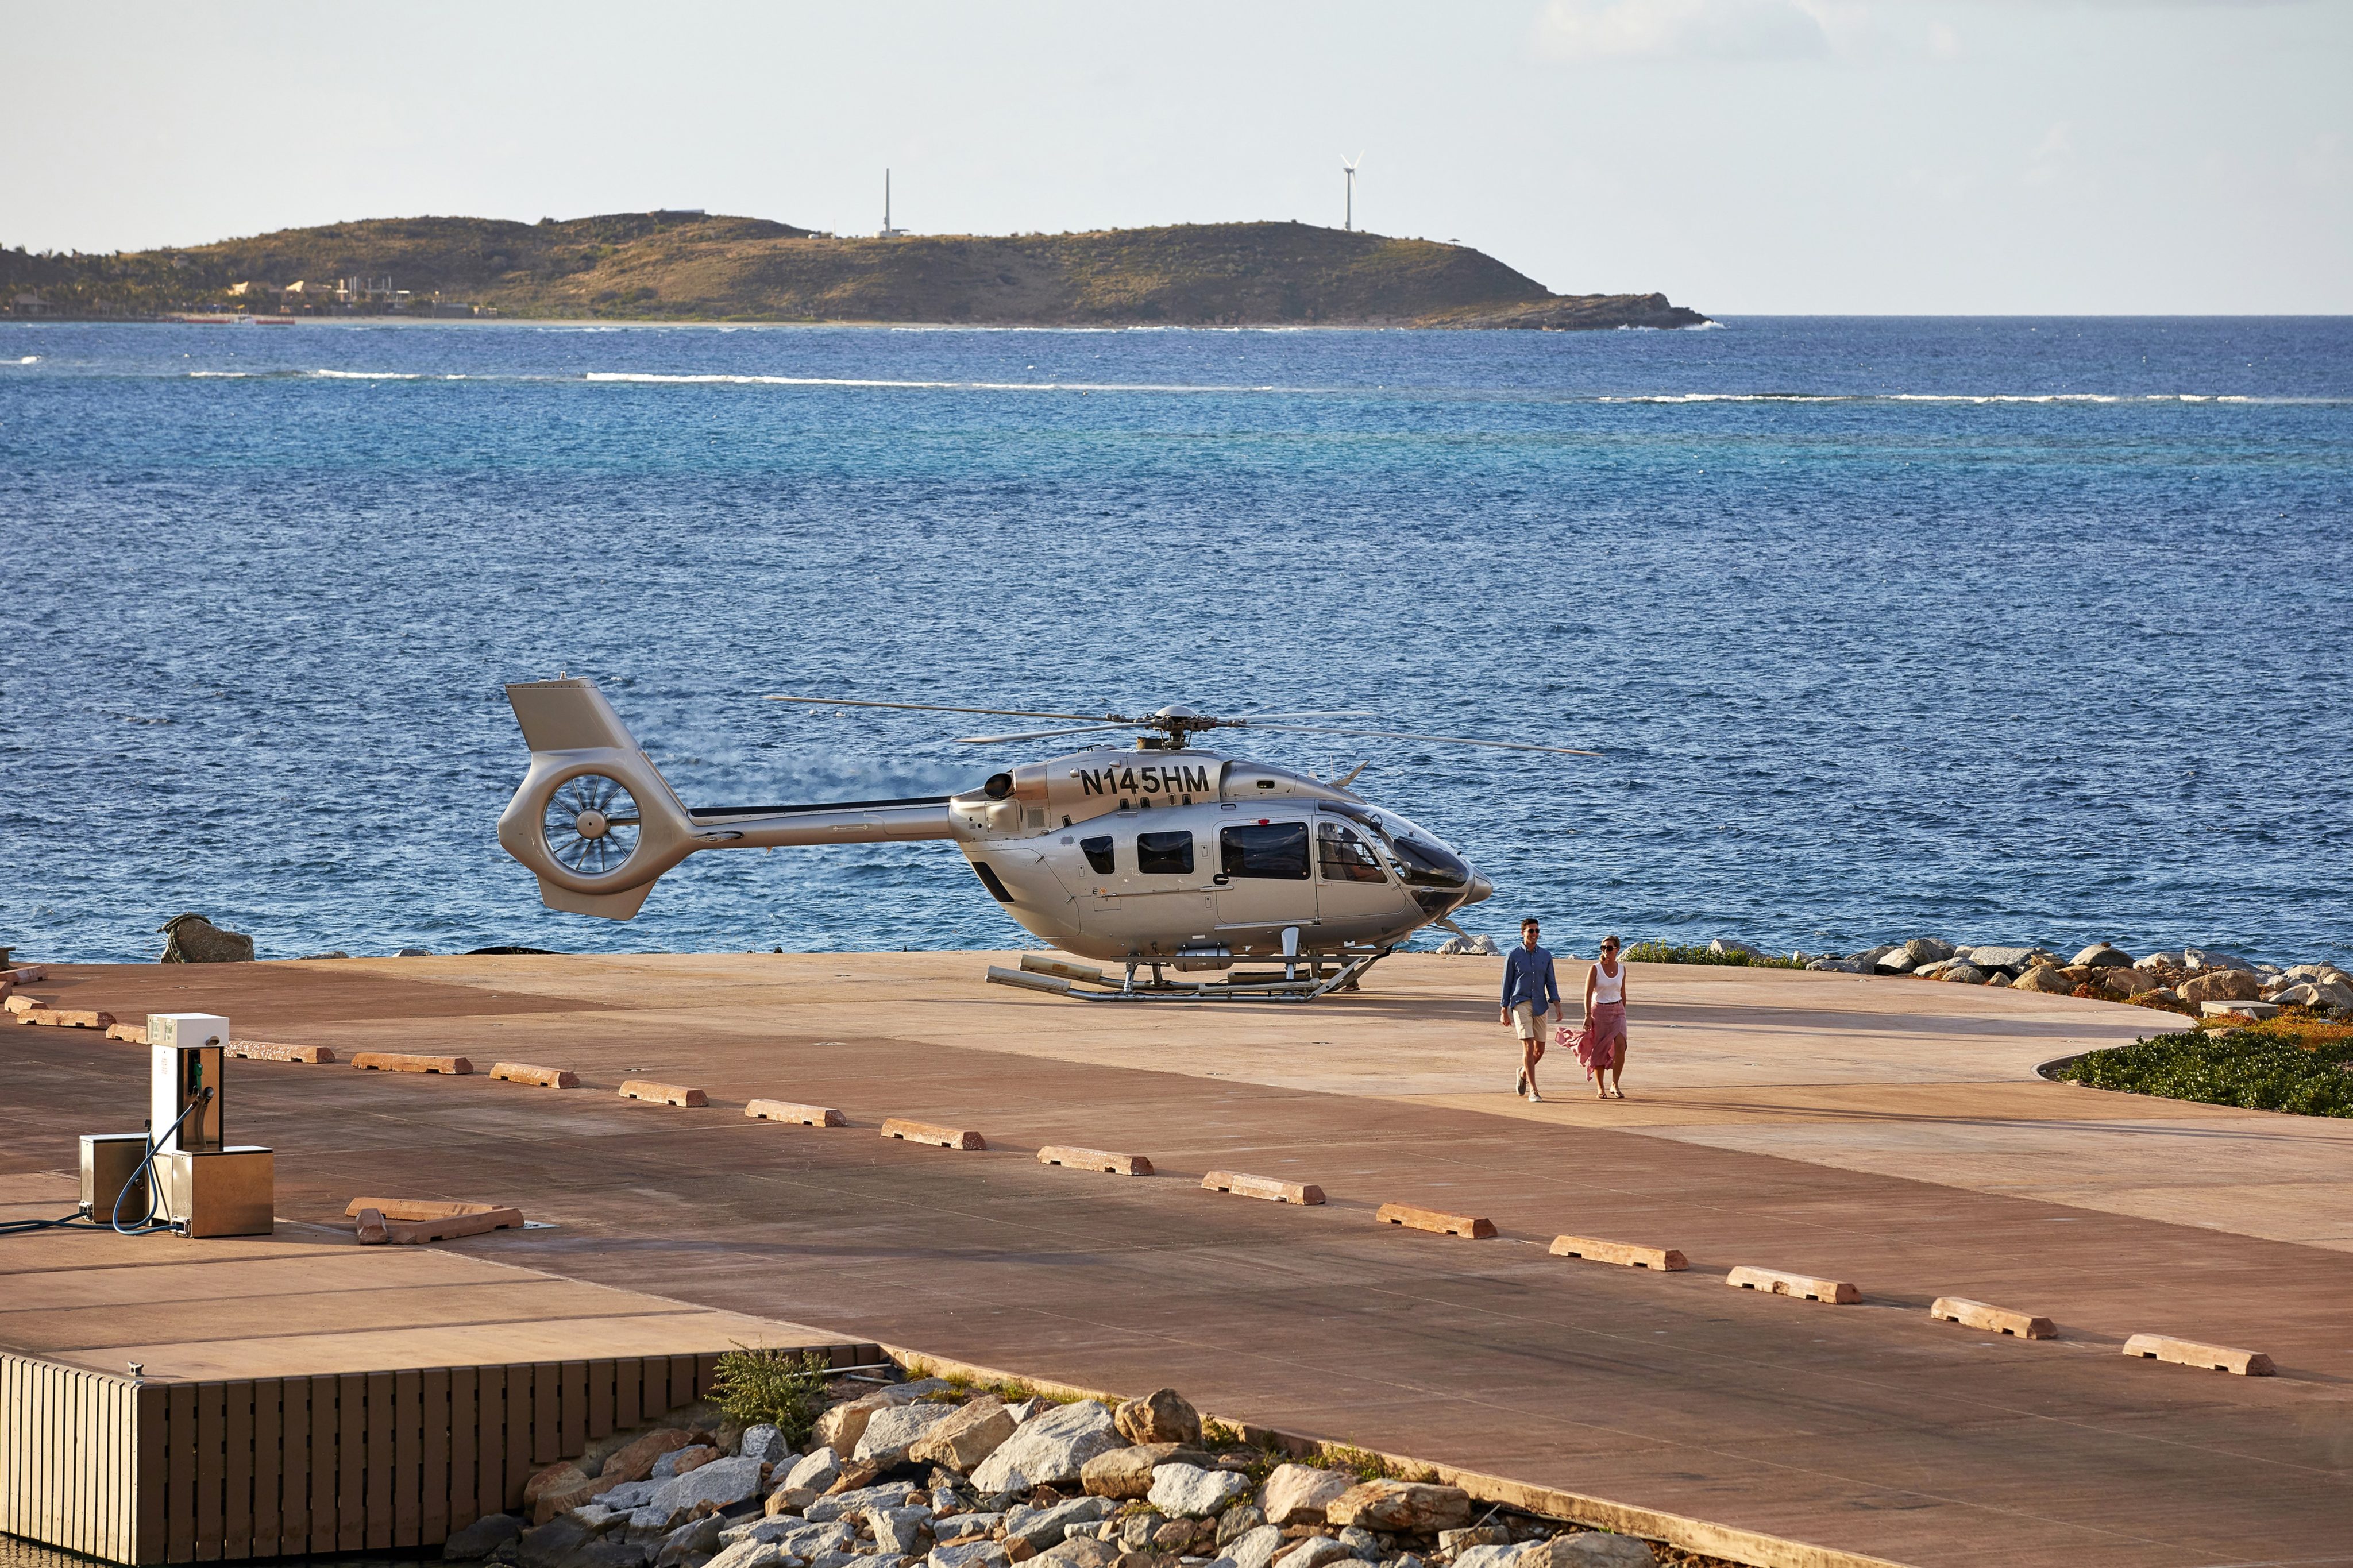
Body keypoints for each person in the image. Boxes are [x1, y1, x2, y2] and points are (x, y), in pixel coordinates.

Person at [1499, 917, 1560, 1102]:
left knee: (1539, 1050)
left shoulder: (1546, 956)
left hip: (1541, 1004)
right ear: (1523, 933)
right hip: (1521, 1002)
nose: (1535, 934)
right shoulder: (1514, 955)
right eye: (1531, 931)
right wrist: (1504, 1009)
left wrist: (1556, 1003)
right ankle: (1534, 1090)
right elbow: (1507, 983)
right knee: (1528, 1044)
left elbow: (1551, 981)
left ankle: (1523, 1073)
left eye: (1537, 931)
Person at [1574, 933, 1631, 1099]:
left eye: (1609, 948)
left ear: (1617, 949)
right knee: (1600, 1049)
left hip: (1618, 1011)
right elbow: (1587, 994)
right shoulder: (1595, 969)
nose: (1606, 951)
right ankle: (1601, 1087)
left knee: (1621, 1047)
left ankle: (1615, 1084)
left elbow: (1623, 993)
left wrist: (1623, 1012)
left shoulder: (1622, 969)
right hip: (1599, 1011)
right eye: (1603, 948)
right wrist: (1587, 1015)